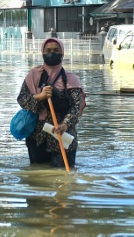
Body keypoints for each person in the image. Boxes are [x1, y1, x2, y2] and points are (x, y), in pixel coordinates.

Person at [16, 38, 85, 168]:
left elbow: (75, 108)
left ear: (62, 53)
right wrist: (39, 96)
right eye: (48, 50)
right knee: (39, 176)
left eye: (56, 50)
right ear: (42, 52)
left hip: (63, 136)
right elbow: (22, 99)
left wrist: (65, 124)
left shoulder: (71, 79)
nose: (52, 53)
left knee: (63, 174)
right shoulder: (33, 75)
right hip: (38, 137)